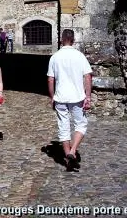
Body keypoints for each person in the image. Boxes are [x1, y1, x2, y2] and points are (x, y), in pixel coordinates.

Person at [47, 29, 92, 171]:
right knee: (81, 125)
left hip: (60, 97)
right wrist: (88, 96)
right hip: (77, 97)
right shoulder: (80, 56)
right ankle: (73, 151)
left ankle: (67, 156)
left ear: (61, 39)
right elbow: (88, 76)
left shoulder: (55, 57)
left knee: (63, 126)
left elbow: (50, 79)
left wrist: (52, 96)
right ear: (73, 40)